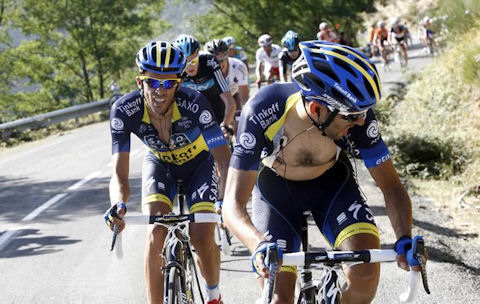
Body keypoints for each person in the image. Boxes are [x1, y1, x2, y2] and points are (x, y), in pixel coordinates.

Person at [222, 40, 427, 304]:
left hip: (332, 187)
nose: (361, 121)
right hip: (276, 194)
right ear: (318, 109)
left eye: (364, 113)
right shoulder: (263, 110)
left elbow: (391, 187)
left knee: (365, 275)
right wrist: (257, 245)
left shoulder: (358, 116)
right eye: (352, 116)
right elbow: (232, 204)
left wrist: (404, 239)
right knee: (277, 298)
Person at [104, 41, 230, 304]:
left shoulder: (195, 103)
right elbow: (120, 173)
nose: (160, 90)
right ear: (140, 82)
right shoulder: (124, 111)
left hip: (199, 165)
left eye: (168, 83)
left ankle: (213, 295)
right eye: (153, 83)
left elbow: (223, 159)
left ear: (179, 84)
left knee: (201, 236)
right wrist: (118, 204)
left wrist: (223, 200)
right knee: (156, 230)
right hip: (160, 165)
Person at [174, 34, 236, 134]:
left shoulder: (209, 61)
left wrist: (225, 125)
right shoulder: (177, 68)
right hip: (194, 109)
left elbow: (229, 100)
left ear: (198, 55)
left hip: (217, 105)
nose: (190, 66)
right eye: (186, 63)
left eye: (193, 61)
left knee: (224, 138)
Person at [204, 39, 249, 110]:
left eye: (222, 60)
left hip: (234, 94)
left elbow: (245, 100)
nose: (218, 64)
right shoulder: (205, 70)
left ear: (227, 55)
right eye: (214, 61)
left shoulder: (239, 67)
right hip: (216, 99)